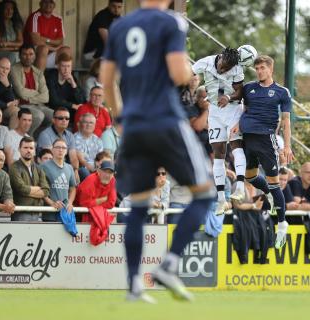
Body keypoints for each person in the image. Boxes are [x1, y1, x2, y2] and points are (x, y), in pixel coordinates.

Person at [101, 0, 215, 302]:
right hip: (165, 119)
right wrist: (191, 68)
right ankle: (169, 264)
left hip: (134, 124)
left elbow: (107, 79)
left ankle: (134, 284)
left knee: (138, 205)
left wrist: (119, 116)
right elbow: (178, 74)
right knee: (205, 195)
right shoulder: (172, 22)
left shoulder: (120, 27)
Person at [232, 55, 294, 248]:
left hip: (267, 140)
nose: (259, 71)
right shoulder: (249, 89)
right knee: (250, 177)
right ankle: (268, 192)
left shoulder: (281, 92)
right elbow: (241, 109)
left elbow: (285, 121)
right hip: (248, 139)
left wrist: (287, 146)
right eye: (257, 68)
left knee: (274, 183)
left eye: (262, 68)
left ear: (270, 70)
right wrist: (236, 123)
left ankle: (282, 223)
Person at [192, 46, 246, 214]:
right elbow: (189, 73)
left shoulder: (237, 69)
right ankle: (221, 199)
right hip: (214, 112)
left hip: (233, 110)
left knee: (236, 146)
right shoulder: (205, 62)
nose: (222, 70)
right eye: (222, 66)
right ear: (220, 57)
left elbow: (240, 91)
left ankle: (240, 188)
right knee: (218, 156)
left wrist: (229, 97)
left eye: (226, 69)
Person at [10, 44, 53, 135]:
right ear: (20, 56)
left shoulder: (38, 72)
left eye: (31, 54)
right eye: (24, 54)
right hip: (22, 105)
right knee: (38, 116)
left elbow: (46, 97)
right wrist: (38, 93)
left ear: (35, 56)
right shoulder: (14, 69)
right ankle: (26, 137)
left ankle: (40, 138)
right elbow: (21, 92)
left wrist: (30, 99)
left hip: (37, 105)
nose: (28, 57)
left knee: (55, 115)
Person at [9, 136, 49, 221]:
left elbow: (46, 191)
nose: (28, 150)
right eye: (25, 147)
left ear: (34, 151)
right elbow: (20, 188)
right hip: (20, 213)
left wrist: (28, 191)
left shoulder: (39, 168)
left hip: (37, 212)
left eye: (31, 148)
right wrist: (38, 189)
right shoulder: (14, 167)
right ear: (19, 149)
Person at [37, 107, 79, 180]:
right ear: (53, 120)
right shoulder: (45, 134)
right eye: (60, 118)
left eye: (67, 118)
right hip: (48, 169)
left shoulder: (70, 135)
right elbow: (50, 157)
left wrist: (75, 170)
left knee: (82, 172)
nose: (64, 120)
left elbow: (74, 157)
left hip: (64, 167)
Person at [41, 138, 76, 222]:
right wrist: (51, 203)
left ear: (66, 151)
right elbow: (41, 189)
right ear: (52, 150)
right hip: (50, 213)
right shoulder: (44, 166)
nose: (60, 150)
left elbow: (73, 188)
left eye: (63, 148)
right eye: (57, 147)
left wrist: (70, 202)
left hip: (65, 212)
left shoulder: (69, 167)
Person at [23, 0, 64, 71]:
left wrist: (45, 39)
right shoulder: (35, 16)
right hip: (34, 53)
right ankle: (39, 79)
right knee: (43, 49)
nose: (48, 4)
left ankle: (63, 80)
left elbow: (60, 41)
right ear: (40, 4)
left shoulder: (58, 18)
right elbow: (36, 41)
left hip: (50, 53)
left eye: (50, 2)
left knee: (66, 50)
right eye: (45, 2)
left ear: (54, 5)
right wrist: (53, 47)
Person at [45, 52, 86, 117]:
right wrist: (73, 105)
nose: (66, 69)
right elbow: (54, 101)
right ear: (58, 66)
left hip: (68, 110)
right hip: (54, 109)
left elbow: (81, 101)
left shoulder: (72, 78)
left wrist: (73, 85)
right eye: (63, 66)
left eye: (68, 66)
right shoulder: (51, 77)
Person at [82, 0, 123, 65]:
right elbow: (107, 42)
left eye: (119, 7)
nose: (116, 10)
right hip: (91, 56)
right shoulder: (102, 16)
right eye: (114, 6)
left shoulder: (119, 19)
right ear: (109, 5)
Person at [74, 113, 103, 180]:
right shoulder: (74, 138)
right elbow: (81, 160)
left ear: (95, 125)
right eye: (85, 122)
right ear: (81, 124)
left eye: (91, 123)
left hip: (96, 168)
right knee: (84, 172)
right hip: (82, 168)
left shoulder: (98, 140)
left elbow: (101, 158)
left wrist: (98, 169)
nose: (88, 125)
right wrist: (92, 169)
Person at [186, 86, 212, 157]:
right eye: (202, 97)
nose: (205, 100)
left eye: (207, 98)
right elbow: (197, 126)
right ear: (196, 97)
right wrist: (206, 110)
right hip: (195, 146)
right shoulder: (190, 109)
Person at [0, 0, 24, 64]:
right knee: (13, 55)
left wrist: (7, 44)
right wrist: (15, 47)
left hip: (14, 52)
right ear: (1, 10)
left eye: (11, 9)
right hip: (1, 53)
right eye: (6, 9)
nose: (9, 11)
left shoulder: (16, 23)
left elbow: (20, 42)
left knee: (26, 55)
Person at [0, 56, 20, 126]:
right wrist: (6, 105)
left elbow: (11, 99)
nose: (4, 71)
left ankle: (12, 136)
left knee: (16, 110)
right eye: (2, 68)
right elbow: (8, 103)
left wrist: (7, 85)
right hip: (1, 106)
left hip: (3, 108)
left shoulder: (7, 79)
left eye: (7, 69)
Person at [0, 149, 15, 215]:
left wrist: (8, 203)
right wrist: (2, 207)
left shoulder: (4, 175)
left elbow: (7, 195)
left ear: (3, 165)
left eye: (1, 160)